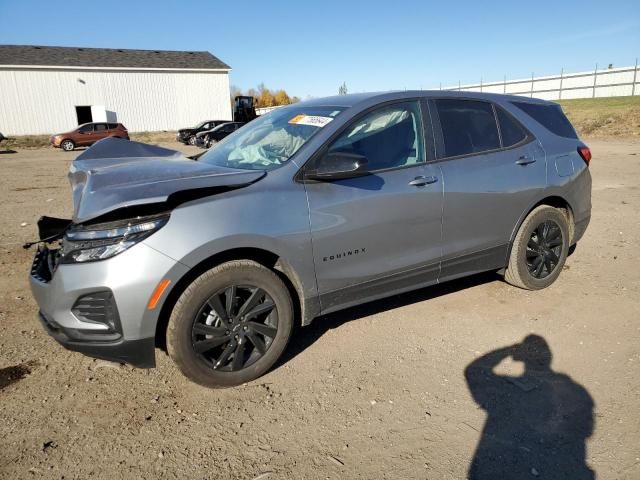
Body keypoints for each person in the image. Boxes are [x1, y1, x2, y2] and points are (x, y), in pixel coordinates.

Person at [465, 335, 595, 479]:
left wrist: (508, 350)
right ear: (549, 357)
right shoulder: (574, 391)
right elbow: (585, 429)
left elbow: (474, 371)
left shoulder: (506, 391)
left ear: (522, 358)